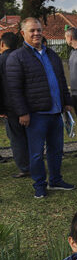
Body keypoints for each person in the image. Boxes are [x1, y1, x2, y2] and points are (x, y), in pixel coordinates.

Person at [6, 17, 75, 198]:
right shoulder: (16, 57)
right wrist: (22, 112)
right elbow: (14, 89)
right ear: (23, 34)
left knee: (56, 150)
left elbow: (61, 80)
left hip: (55, 112)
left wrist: (67, 102)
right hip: (35, 115)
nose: (36, 33)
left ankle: (56, 180)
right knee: (36, 154)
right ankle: (39, 185)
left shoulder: (51, 54)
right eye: (32, 31)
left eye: (38, 30)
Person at [0, 31, 29, 178]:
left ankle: (24, 167)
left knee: (16, 138)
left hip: (10, 107)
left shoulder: (1, 60)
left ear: (2, 44)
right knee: (29, 136)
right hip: (27, 105)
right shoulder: (22, 57)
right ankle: (33, 162)